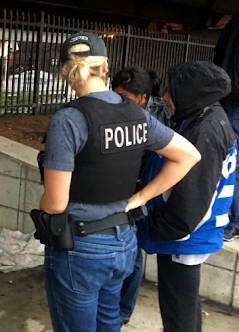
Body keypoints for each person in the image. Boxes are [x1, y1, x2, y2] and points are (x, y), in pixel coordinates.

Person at [38, 32, 201, 332]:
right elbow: (188, 155)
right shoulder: (136, 113)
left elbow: (56, 202)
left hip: (81, 246)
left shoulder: (69, 120)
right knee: (108, 323)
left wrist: (43, 202)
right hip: (123, 241)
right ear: (105, 67)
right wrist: (139, 199)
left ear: (65, 73)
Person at [137, 61, 236, 332]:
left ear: (191, 92)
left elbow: (196, 193)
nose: (166, 98)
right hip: (185, 235)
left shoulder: (206, 129)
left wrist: (162, 228)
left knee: (177, 312)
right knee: (185, 307)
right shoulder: (206, 118)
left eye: (172, 91)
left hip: (183, 237)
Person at [111, 66, 172, 326]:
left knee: (133, 256)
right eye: (115, 95)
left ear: (143, 97)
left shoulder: (156, 118)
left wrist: (143, 195)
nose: (118, 101)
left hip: (141, 193)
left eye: (125, 96)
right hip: (119, 188)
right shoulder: (116, 110)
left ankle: (123, 310)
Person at [214, 13, 239, 242]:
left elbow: (222, 54)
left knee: (231, 161)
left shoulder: (235, 22)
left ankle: (234, 222)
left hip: (234, 100)